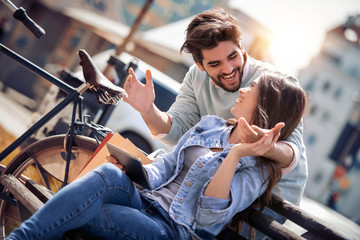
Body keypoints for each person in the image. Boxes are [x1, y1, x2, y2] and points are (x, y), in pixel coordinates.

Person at [6, 70, 306, 240]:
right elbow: (167, 166)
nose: (242, 89)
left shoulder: (257, 169)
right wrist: (134, 170)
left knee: (77, 210)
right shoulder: (211, 126)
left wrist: (236, 153)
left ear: (266, 102)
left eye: (252, 87)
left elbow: (205, 217)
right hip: (145, 201)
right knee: (109, 175)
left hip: (170, 231)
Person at [123, 8, 308, 235]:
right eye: (215, 64)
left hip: (269, 192)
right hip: (215, 175)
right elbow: (177, 129)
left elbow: (292, 154)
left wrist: (263, 143)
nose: (228, 69)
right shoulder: (195, 77)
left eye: (233, 57)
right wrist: (148, 110)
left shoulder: (276, 81)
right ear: (201, 66)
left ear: (242, 48)